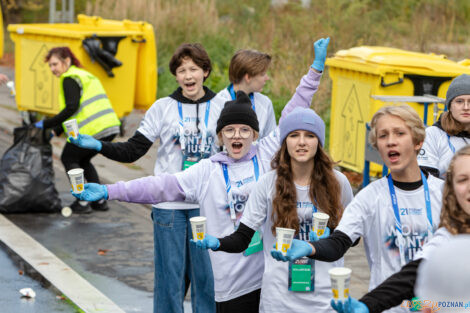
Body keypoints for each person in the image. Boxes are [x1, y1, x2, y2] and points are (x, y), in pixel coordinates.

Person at [70, 37, 330, 313]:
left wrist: (314, 71)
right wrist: (110, 190)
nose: (237, 135)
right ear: (220, 136)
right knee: (175, 281)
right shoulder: (208, 170)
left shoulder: (265, 152)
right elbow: (159, 186)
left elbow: (294, 110)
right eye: (229, 131)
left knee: (214, 287)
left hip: (264, 276)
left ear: (255, 134)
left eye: (244, 130)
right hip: (226, 276)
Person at [69, 43, 225, 313]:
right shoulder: (162, 108)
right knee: (169, 281)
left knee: (208, 281)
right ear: (175, 75)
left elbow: (237, 151)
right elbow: (133, 151)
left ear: (205, 72)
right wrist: (98, 146)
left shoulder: (223, 107)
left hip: (208, 206)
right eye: (181, 70)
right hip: (169, 208)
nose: (188, 76)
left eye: (194, 69)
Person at [275, 105, 444, 313]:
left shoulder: (447, 193)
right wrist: (311, 247)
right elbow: (339, 243)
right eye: (383, 136)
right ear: (377, 146)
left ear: (418, 142)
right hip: (387, 308)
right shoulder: (369, 197)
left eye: (399, 133)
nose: (391, 140)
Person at [195, 104, 356, 312]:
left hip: (325, 301)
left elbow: (353, 237)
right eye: (294, 135)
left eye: (309, 136)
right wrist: (216, 242)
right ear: (284, 143)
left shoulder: (339, 182)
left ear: (319, 142)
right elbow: (243, 238)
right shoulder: (267, 183)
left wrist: (332, 232)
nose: (301, 142)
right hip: (279, 301)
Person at [329, 144, 470, 313]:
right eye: (462, 180)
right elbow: (412, 274)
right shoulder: (448, 236)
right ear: (452, 190)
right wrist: (368, 304)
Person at [34, 47, 121, 213]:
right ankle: (99, 201)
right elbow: (77, 107)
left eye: (55, 64)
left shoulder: (69, 78)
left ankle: (82, 202)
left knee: (68, 157)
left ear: (66, 61)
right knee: (83, 160)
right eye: (50, 66)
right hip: (109, 126)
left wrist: (47, 124)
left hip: (92, 128)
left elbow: (71, 107)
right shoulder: (84, 75)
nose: (52, 69)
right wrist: (57, 130)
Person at [418, 74, 470, 178]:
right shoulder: (433, 134)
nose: (466, 107)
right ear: (450, 106)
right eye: (459, 101)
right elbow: (425, 178)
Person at [217, 49, 276, 139]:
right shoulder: (218, 103)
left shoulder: (265, 103)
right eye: (263, 74)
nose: (267, 78)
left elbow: (272, 141)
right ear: (248, 77)